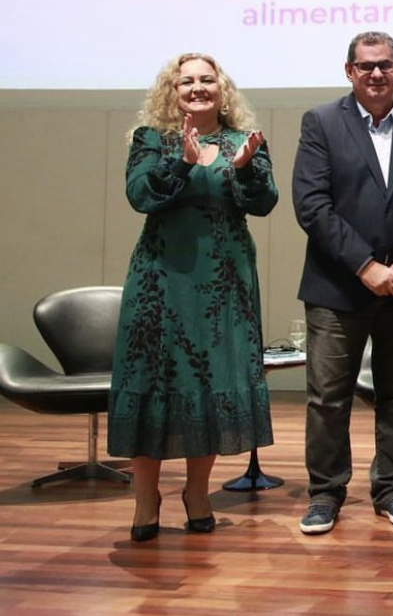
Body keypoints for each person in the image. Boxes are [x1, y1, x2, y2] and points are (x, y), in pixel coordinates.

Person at [108, 53, 278, 542]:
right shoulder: (151, 140)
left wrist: (245, 170)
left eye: (208, 80)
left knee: (210, 386)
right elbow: (140, 196)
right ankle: (146, 497)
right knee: (153, 387)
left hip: (224, 284)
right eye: (187, 81)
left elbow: (264, 202)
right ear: (172, 91)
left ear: (222, 90)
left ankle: (197, 492)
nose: (198, 88)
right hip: (161, 282)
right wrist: (181, 162)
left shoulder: (242, 141)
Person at [292, 31, 393, 535]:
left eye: (385, 65)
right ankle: (325, 493)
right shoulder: (321, 123)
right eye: (366, 66)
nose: (376, 74)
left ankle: (392, 487)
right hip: (339, 287)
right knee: (328, 395)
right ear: (349, 72)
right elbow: (312, 205)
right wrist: (365, 265)